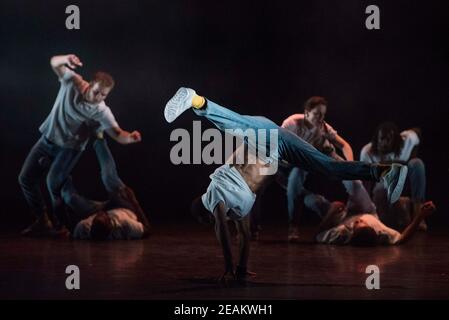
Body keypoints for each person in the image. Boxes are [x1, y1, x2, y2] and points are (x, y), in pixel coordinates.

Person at [165, 87, 407, 278]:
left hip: (264, 136)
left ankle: (196, 100)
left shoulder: (214, 197)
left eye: (210, 220)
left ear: (207, 213)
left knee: (234, 123)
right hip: (279, 148)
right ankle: (384, 171)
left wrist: (228, 268)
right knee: (329, 168)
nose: (217, 222)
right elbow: (245, 236)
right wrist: (240, 270)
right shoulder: (239, 209)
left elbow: (223, 234)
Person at [18, 54, 141, 236]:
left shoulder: (101, 110)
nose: (98, 97)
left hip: (70, 148)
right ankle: (42, 221)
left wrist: (130, 137)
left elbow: (117, 133)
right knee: (25, 179)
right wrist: (65, 58)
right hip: (47, 139)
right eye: (97, 91)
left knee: (53, 183)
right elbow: (54, 63)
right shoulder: (72, 82)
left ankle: (61, 225)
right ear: (90, 84)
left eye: (103, 95)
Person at [280, 96, 372, 241]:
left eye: (323, 115)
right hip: (301, 161)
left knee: (353, 179)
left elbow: (344, 145)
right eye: (317, 114)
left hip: (324, 155)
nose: (320, 118)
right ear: (306, 112)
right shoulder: (292, 124)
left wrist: (350, 164)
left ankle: (370, 212)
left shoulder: (323, 127)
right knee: (294, 185)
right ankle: (294, 225)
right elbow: (279, 146)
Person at [62, 138, 151, 240]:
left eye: (97, 217)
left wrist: (67, 230)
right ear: (110, 223)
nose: (101, 214)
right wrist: (134, 201)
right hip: (124, 207)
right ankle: (99, 139)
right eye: (103, 216)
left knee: (70, 199)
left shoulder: (84, 227)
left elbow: (73, 231)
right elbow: (147, 230)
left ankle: (59, 172)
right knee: (108, 177)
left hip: (103, 208)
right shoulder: (127, 225)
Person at [360, 122, 426, 230]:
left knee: (417, 163)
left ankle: (418, 215)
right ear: (376, 138)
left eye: (388, 139)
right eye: (382, 139)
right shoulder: (367, 152)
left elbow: (417, 131)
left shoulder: (406, 140)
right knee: (390, 221)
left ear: (395, 140)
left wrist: (412, 155)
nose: (385, 143)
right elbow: (365, 182)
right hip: (382, 183)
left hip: (404, 177)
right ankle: (402, 205)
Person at [315, 199, 435, 246]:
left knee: (313, 201)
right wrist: (420, 216)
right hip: (368, 210)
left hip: (344, 215)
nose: (359, 220)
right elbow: (402, 238)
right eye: (362, 222)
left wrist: (330, 213)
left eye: (357, 223)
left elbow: (318, 235)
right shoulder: (381, 232)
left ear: (351, 234)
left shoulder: (342, 233)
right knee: (357, 184)